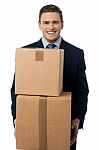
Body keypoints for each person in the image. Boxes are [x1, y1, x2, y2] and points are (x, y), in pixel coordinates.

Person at [11, 4, 89, 150]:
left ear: (62, 24)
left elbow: (82, 90)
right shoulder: (26, 53)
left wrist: (78, 118)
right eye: (46, 22)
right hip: (32, 125)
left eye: (55, 22)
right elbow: (16, 89)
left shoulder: (76, 54)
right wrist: (17, 120)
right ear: (39, 25)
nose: (51, 27)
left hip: (63, 125)